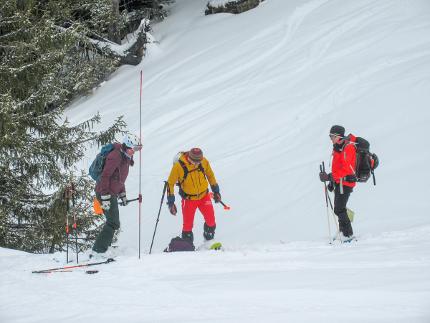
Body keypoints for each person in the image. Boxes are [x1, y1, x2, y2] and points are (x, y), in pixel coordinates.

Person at [91, 134, 142, 258]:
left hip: (111, 193)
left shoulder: (125, 157)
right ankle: (98, 251)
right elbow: (105, 176)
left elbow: (119, 179)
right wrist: (105, 196)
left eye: (136, 149)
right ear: (125, 146)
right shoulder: (115, 157)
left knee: (113, 222)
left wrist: (122, 194)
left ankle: (103, 249)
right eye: (132, 149)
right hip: (105, 192)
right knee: (113, 222)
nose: (134, 152)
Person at [166, 148, 221, 244]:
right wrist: (171, 203)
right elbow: (170, 184)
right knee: (187, 226)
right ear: (189, 157)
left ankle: (209, 242)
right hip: (189, 200)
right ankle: (188, 247)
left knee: (211, 221)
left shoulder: (204, 161)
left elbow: (210, 175)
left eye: (198, 162)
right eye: (194, 162)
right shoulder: (178, 166)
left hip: (204, 196)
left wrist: (216, 191)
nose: (197, 164)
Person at [319, 125, 356, 240]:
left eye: (332, 136)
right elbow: (337, 167)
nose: (331, 138)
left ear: (338, 136)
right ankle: (342, 231)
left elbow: (346, 169)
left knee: (339, 208)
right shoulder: (337, 147)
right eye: (330, 136)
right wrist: (331, 181)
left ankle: (348, 234)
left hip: (346, 183)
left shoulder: (348, 148)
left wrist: (330, 177)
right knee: (339, 208)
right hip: (339, 183)